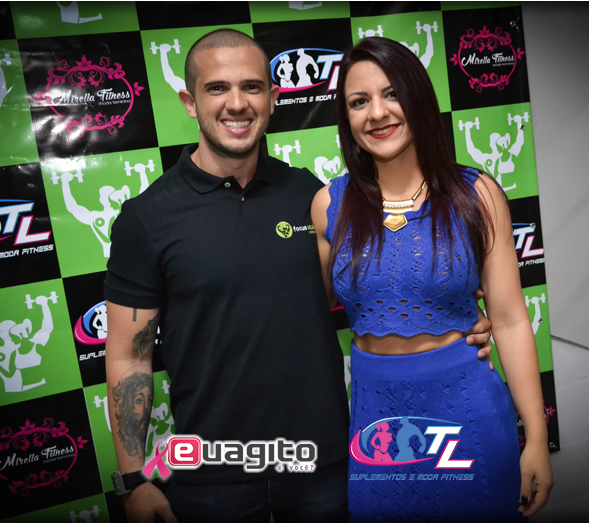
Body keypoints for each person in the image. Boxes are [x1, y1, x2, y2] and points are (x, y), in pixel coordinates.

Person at [104, 29, 495, 523]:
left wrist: (456, 318)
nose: (237, 104)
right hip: (212, 475)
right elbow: (128, 354)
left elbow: (374, 285)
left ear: (273, 98)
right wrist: (133, 477)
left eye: (251, 87)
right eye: (217, 88)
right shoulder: (146, 218)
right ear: (189, 101)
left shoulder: (313, 196)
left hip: (323, 464)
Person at [311, 37, 554, 521]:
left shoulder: (476, 194)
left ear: (418, 98)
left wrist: (537, 438)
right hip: (377, 424)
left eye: (392, 94)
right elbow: (308, 316)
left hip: (467, 410)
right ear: (346, 118)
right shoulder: (328, 205)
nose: (377, 113)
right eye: (359, 101)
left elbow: (508, 320)